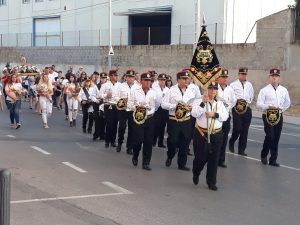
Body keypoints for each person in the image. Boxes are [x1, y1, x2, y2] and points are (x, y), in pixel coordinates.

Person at [191, 82, 229, 191]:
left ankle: (211, 182)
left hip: (216, 134)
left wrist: (215, 115)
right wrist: (203, 103)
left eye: (215, 89)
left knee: (214, 159)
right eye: (211, 89)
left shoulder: (220, 102)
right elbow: (194, 114)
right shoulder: (199, 100)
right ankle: (196, 172)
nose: (213, 91)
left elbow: (225, 116)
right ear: (207, 89)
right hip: (201, 133)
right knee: (200, 158)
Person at [161, 71, 195, 171]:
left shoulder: (191, 91)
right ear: (179, 79)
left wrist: (191, 107)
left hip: (186, 120)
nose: (186, 80)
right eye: (184, 79)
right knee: (173, 141)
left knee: (185, 142)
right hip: (174, 120)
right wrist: (175, 106)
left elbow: (195, 104)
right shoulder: (171, 90)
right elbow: (163, 104)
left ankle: (182, 164)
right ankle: (170, 155)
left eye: (187, 79)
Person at [256, 68, 291, 167]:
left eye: (276, 76)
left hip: (278, 116)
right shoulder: (264, 90)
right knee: (270, 136)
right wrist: (268, 106)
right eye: (272, 76)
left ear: (279, 78)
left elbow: (288, 102)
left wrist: (281, 109)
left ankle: (273, 160)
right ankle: (264, 154)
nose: (274, 78)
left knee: (276, 138)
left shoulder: (284, 90)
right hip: (267, 115)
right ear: (269, 77)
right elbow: (259, 104)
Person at [128, 72, 156, 170]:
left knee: (148, 141)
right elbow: (129, 105)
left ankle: (146, 163)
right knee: (138, 140)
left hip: (149, 118)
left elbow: (154, 107)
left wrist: (148, 110)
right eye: (146, 81)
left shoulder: (153, 92)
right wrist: (137, 106)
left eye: (150, 81)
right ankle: (135, 155)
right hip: (138, 118)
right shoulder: (135, 91)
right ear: (141, 81)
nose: (148, 83)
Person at [229, 67, 254, 156]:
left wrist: (247, 103)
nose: (243, 76)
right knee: (238, 128)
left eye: (245, 74)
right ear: (238, 74)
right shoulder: (233, 85)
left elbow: (251, 96)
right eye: (242, 74)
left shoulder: (249, 85)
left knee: (245, 130)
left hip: (246, 108)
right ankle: (232, 141)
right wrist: (237, 101)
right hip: (236, 108)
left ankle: (241, 150)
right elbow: (230, 96)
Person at [217, 69, 237, 168]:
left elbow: (234, 101)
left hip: (226, 116)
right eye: (223, 77)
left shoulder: (230, 89)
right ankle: (213, 158)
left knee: (224, 139)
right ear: (219, 78)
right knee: (215, 138)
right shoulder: (214, 88)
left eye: (226, 77)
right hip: (216, 118)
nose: (225, 79)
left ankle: (221, 160)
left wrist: (227, 108)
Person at [116, 69, 137, 154]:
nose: (131, 78)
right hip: (123, 110)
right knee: (122, 127)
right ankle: (120, 143)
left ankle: (129, 147)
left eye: (132, 77)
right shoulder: (121, 86)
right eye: (129, 77)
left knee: (132, 129)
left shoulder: (137, 86)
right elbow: (116, 97)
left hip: (132, 110)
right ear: (126, 77)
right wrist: (122, 100)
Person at [99, 69, 121, 148]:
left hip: (117, 106)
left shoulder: (119, 85)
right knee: (109, 124)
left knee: (115, 124)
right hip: (108, 105)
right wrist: (106, 95)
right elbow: (99, 95)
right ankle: (107, 141)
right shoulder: (105, 85)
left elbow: (122, 95)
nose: (116, 77)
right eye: (115, 75)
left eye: (117, 75)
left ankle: (113, 141)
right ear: (111, 76)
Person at [152, 73, 169, 148]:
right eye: (161, 80)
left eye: (164, 80)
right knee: (156, 126)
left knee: (163, 126)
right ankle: (153, 141)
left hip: (164, 109)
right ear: (158, 80)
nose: (162, 81)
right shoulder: (154, 88)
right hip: (157, 109)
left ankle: (160, 142)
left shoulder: (168, 89)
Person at [91, 72, 107, 141]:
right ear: (100, 78)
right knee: (97, 120)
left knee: (104, 120)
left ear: (106, 79)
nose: (103, 79)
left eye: (104, 78)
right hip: (97, 104)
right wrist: (95, 100)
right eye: (102, 78)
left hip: (104, 104)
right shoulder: (96, 86)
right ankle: (96, 134)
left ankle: (102, 134)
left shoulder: (108, 86)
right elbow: (92, 96)